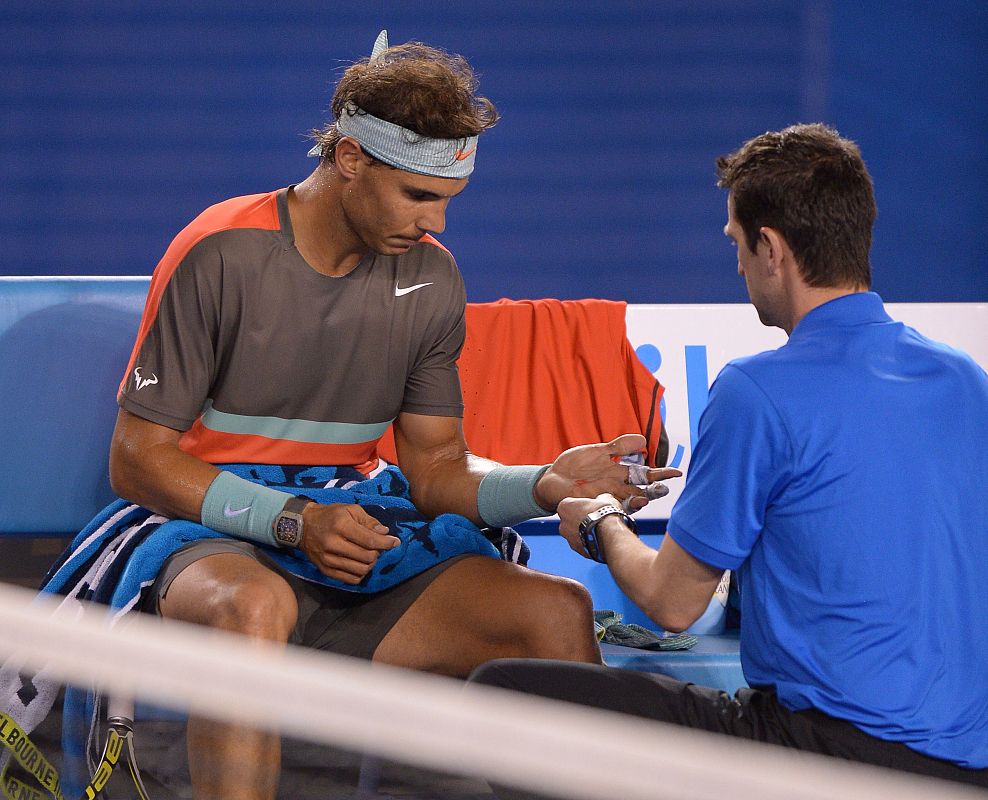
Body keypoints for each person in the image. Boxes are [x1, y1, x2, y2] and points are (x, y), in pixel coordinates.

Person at [105, 31, 676, 800]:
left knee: (556, 610)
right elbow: (138, 458)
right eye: (419, 195)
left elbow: (436, 467)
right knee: (254, 604)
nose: (437, 224)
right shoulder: (218, 252)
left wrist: (544, 483)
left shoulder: (432, 280)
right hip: (203, 530)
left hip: (345, 526)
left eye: (447, 201)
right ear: (349, 160)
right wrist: (291, 520)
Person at [470, 123, 988, 788]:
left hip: (826, 759)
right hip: (969, 768)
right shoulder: (965, 379)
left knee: (501, 695)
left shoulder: (758, 390)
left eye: (737, 245)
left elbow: (672, 604)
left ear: (771, 248)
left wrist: (602, 521)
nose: (736, 265)